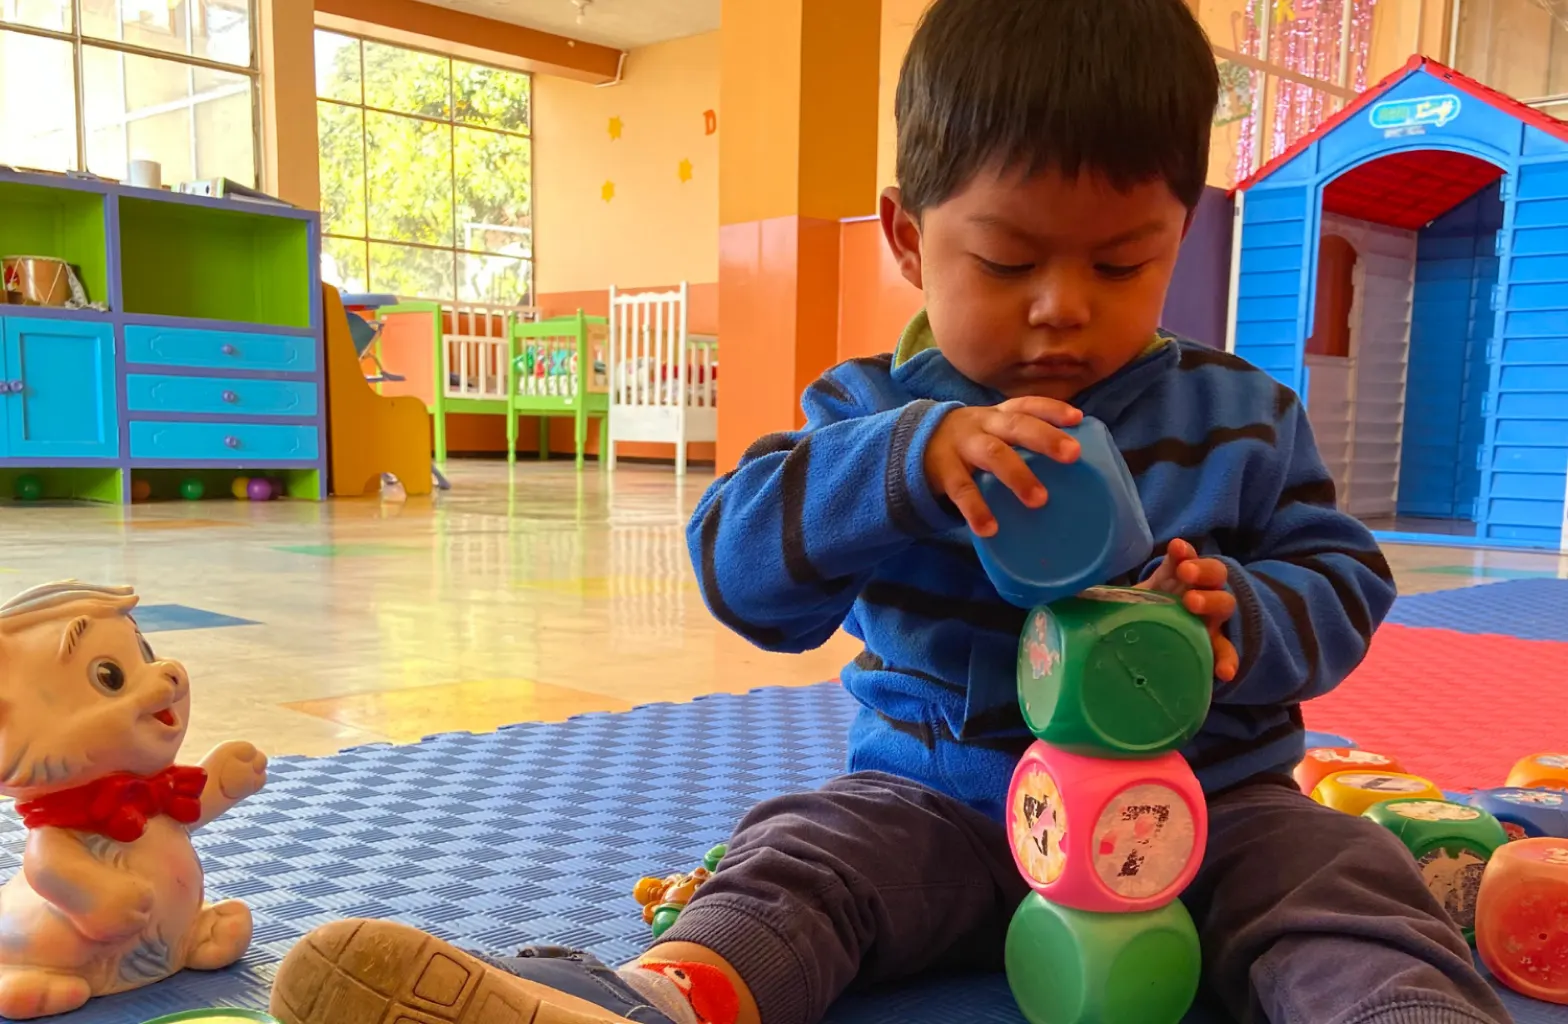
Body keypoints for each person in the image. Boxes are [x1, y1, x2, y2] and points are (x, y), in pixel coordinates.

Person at [268, 2, 1513, 1023]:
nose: (1059, 307)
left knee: (1339, 882)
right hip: (942, 804)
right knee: (801, 860)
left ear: (1176, 232)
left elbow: (1343, 577)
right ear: (910, 239)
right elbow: (736, 569)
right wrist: (902, 467)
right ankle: (647, 1005)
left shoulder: (1239, 412)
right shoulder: (870, 411)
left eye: (1120, 263)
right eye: (1009, 261)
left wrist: (1243, 611)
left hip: (1206, 810)